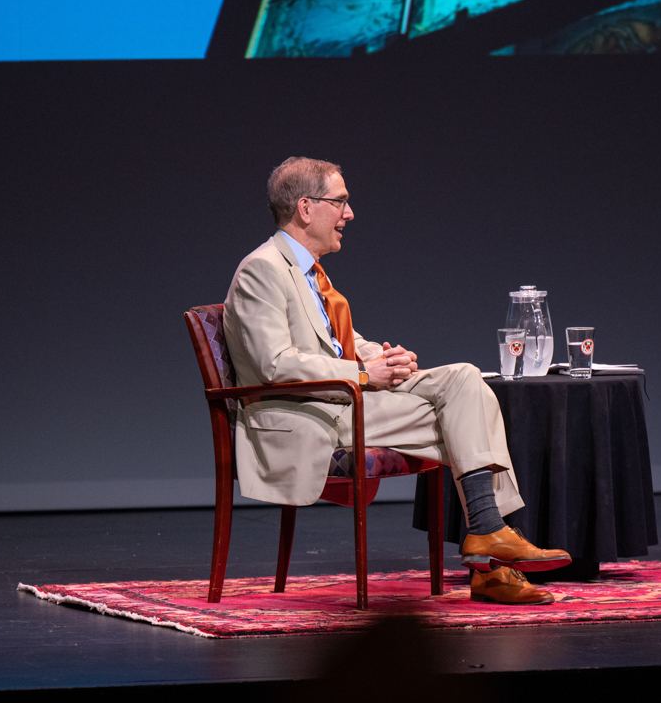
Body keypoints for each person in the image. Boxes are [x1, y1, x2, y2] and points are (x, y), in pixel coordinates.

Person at [223, 156, 569, 605]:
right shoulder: (262, 269)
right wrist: (365, 374)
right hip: (305, 417)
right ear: (305, 208)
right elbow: (275, 365)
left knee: (464, 379)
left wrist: (380, 356)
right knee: (462, 414)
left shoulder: (306, 271)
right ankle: (489, 552)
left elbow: (331, 340)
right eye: (340, 202)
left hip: (340, 401)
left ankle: (488, 540)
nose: (350, 214)